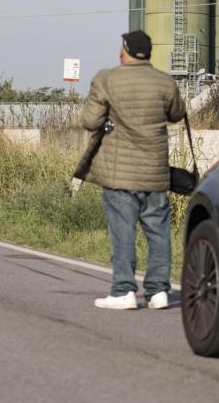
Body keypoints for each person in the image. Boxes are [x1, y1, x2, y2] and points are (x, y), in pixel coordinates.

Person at [79, 30, 186, 311]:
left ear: (123, 51)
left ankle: (124, 291)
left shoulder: (106, 79)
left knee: (123, 232)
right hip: (155, 172)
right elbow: (177, 114)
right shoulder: (165, 81)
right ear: (148, 54)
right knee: (158, 232)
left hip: (119, 173)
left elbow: (90, 121)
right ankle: (159, 291)